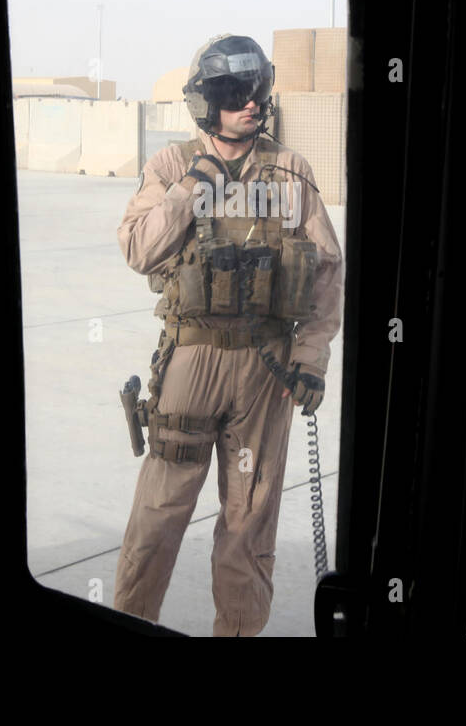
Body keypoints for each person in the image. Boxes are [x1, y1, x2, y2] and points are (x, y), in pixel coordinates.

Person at [113, 33, 343, 636]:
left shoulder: (291, 171)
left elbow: (325, 273)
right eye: (234, 93)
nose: (250, 103)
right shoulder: (170, 166)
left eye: (257, 91)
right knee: (158, 517)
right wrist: (195, 186)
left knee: (249, 523)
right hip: (190, 364)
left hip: (266, 372)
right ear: (206, 102)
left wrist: (312, 358)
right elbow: (138, 248)